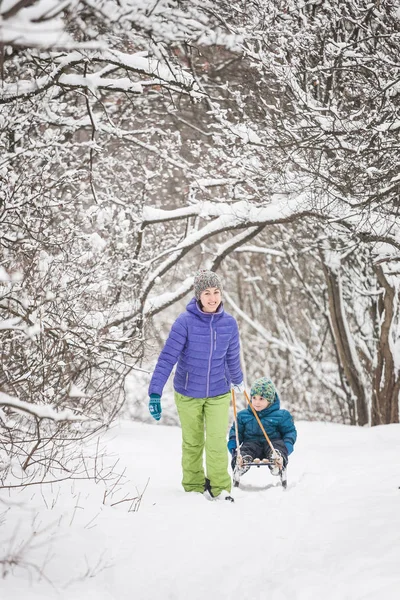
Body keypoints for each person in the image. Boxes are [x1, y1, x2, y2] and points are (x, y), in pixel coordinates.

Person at [148, 269, 244, 501]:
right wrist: (154, 393)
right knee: (193, 442)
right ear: (198, 296)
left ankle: (220, 488)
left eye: (217, 292)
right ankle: (193, 487)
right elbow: (167, 358)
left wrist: (238, 379)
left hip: (219, 392)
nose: (213, 298)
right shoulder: (185, 323)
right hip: (188, 392)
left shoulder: (229, 324)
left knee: (216, 443)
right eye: (207, 293)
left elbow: (232, 357)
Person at [228, 377, 297, 475]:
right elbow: (236, 432)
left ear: (270, 400)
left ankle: (277, 461)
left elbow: (289, 432)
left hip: (272, 444)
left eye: (261, 398)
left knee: (278, 446)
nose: (256, 402)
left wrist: (287, 447)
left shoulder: (281, 415)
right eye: (254, 398)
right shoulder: (243, 416)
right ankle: (242, 461)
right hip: (252, 444)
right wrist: (234, 448)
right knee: (245, 449)